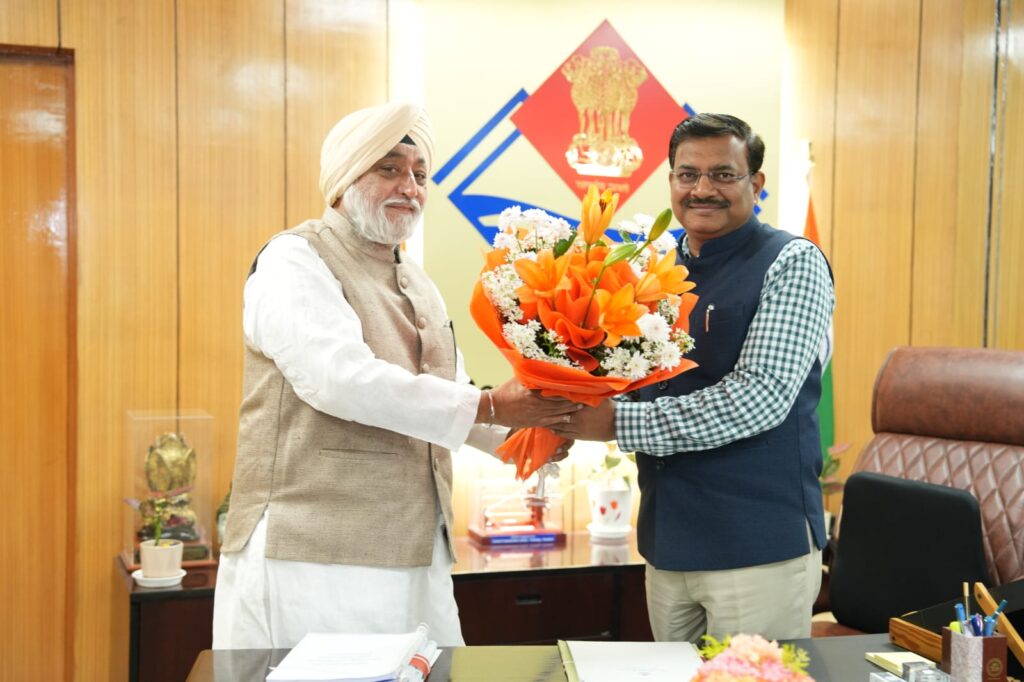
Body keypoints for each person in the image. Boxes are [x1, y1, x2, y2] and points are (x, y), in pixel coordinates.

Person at [212, 102, 578, 649]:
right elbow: (341, 380)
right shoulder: (295, 259)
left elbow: (455, 397)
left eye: (420, 174)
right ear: (342, 179)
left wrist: (526, 438)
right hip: (312, 551)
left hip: (413, 548)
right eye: (389, 168)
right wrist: (494, 408)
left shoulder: (417, 280)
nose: (409, 186)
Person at [551, 113, 834, 642]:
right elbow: (623, 374)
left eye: (723, 174)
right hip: (667, 543)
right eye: (688, 175)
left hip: (756, 548)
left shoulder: (792, 263)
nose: (703, 189)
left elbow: (758, 399)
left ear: (757, 183)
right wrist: (555, 410)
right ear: (672, 182)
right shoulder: (656, 267)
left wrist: (614, 423)